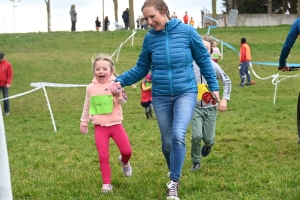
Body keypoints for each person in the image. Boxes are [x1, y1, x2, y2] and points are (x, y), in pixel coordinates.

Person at [109, 0, 219, 199]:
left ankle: (174, 182)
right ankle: (173, 171)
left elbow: (203, 59)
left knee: (178, 136)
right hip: (160, 95)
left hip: (185, 92)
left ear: (164, 12)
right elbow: (142, 67)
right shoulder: (150, 39)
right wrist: (121, 80)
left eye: (152, 17)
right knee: (167, 142)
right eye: (146, 18)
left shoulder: (187, 32)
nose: (149, 22)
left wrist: (214, 86)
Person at [80, 53, 132, 193]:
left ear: (111, 71)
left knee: (127, 151)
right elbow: (87, 105)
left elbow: (123, 102)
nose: (101, 71)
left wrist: (118, 94)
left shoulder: (117, 84)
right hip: (100, 127)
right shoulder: (90, 88)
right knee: (103, 156)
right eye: (97, 69)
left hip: (116, 125)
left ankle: (125, 162)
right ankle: (107, 184)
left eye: (104, 69)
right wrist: (84, 122)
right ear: (94, 71)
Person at [190, 35, 231, 172]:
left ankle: (208, 145)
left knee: (209, 139)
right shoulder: (189, 66)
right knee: (196, 136)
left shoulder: (214, 66)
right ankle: (196, 162)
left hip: (211, 108)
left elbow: (227, 81)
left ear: (211, 50)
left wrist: (224, 99)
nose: (202, 50)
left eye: (206, 48)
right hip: (194, 107)